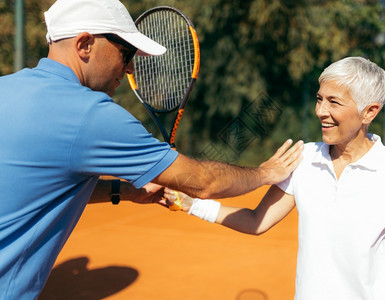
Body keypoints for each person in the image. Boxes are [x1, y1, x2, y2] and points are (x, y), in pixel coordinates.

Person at [0, 0, 304, 298]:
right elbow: (204, 182)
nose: (130, 66)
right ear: (84, 44)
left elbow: (39, 186)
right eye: (126, 52)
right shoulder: (90, 114)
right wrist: (265, 172)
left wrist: (123, 191)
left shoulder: (7, 89)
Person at [164, 57, 385, 300]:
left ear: (369, 112)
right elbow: (256, 221)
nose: (320, 111)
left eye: (333, 102)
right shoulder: (304, 159)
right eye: (319, 99)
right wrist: (192, 205)